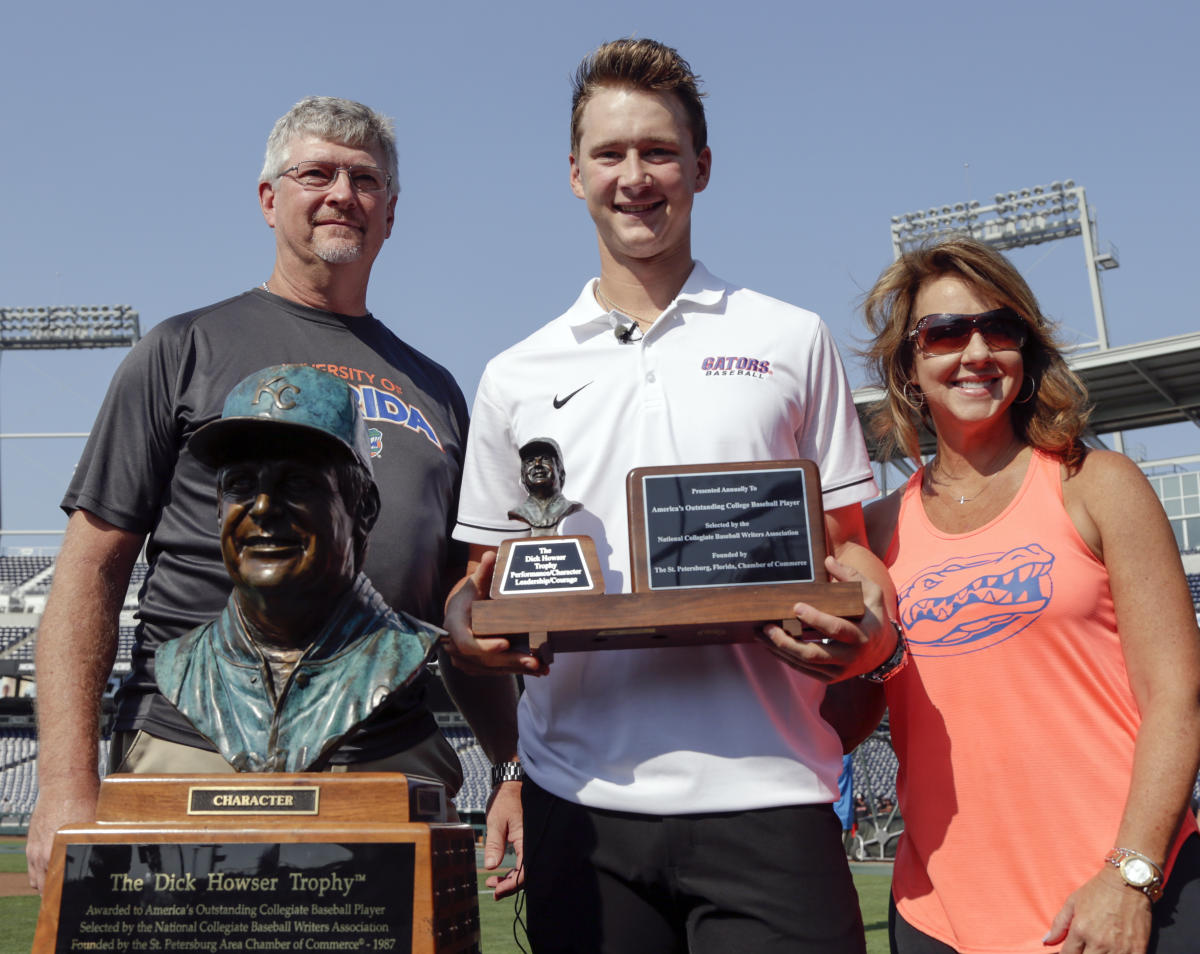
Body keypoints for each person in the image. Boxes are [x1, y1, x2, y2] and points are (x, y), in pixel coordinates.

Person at [445, 38, 901, 954]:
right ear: (574, 175)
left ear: (701, 165)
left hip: (771, 789)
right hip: (581, 801)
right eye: (610, 155)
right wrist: (468, 629)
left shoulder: (788, 337)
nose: (635, 177)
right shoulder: (515, 373)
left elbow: (851, 553)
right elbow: (481, 579)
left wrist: (869, 632)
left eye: (657, 151)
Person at [27, 97, 518, 891]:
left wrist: (513, 764)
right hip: (194, 740)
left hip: (388, 747)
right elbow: (90, 571)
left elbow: (466, 601)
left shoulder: (437, 391)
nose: (340, 193)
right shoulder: (183, 350)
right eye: (315, 173)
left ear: (390, 212)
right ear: (269, 200)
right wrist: (63, 784)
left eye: (365, 179)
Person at [858, 236, 1200, 953]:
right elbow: (850, 707)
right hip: (941, 917)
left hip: (1116, 905)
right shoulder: (878, 532)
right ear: (910, 367)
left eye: (999, 327)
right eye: (945, 332)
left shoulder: (1098, 485)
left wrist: (1129, 876)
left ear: (1026, 348)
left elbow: (1176, 696)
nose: (976, 351)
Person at [157, 364, 444, 773]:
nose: (262, 508)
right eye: (240, 484)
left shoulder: (404, 651)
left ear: (363, 509)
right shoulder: (182, 666)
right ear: (217, 510)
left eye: (296, 483)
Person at [506, 438, 582, 535]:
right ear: (523, 476)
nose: (537, 464)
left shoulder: (569, 507)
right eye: (530, 461)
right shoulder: (519, 512)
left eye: (545, 459)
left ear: (561, 472)